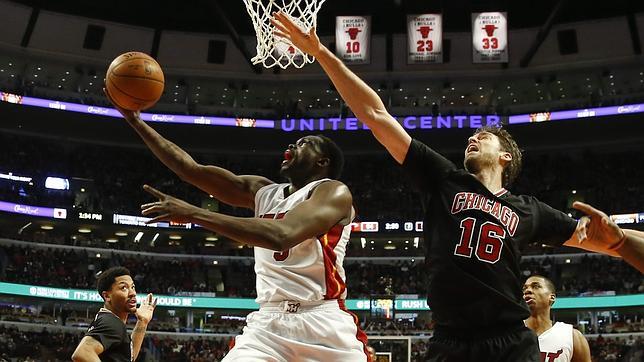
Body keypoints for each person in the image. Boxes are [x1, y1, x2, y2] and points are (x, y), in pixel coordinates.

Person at [271, 11, 644, 361]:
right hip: (449, 339)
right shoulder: (443, 178)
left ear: (506, 157)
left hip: (510, 342)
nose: (473, 138)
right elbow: (375, 114)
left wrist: (620, 238)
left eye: (484, 136)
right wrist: (320, 52)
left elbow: (608, 241)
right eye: (473, 135)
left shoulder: (529, 209)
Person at [104, 91, 371, 361]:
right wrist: (136, 121)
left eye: (304, 144)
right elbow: (190, 169)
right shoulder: (263, 192)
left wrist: (194, 214)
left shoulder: (333, 192)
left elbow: (282, 235)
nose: (292, 146)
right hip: (268, 324)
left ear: (322, 162)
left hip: (322, 321)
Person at [71, 266, 156, 362]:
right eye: (123, 288)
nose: (133, 293)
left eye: (132, 287)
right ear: (107, 296)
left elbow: (129, 358)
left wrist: (142, 322)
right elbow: (82, 353)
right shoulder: (112, 323)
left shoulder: (108, 319)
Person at [523, 275, 591, 362]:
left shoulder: (572, 336)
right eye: (524, 288)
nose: (527, 291)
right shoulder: (510, 333)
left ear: (552, 297)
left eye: (536, 286)